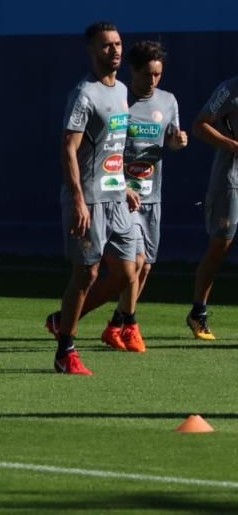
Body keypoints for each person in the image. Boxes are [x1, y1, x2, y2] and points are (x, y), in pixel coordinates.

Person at [45, 41, 186, 347]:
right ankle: (114, 327)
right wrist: (118, 186)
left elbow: (169, 141)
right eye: (148, 74)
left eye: (158, 75)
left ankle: (107, 322)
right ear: (133, 71)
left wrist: (177, 141)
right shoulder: (113, 97)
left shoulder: (167, 101)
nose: (153, 81)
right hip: (114, 195)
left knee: (141, 266)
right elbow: (101, 147)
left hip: (151, 194)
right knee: (97, 270)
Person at [53, 22, 139, 375]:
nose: (115, 51)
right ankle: (65, 351)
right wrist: (77, 200)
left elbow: (112, 147)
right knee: (86, 273)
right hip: (89, 201)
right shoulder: (83, 94)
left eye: (118, 44)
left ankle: (61, 319)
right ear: (92, 51)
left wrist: (125, 185)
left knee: (126, 273)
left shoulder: (121, 90)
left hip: (117, 197)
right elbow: (68, 148)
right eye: (107, 46)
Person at [187, 61, 238, 340]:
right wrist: (233, 145)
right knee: (221, 244)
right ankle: (198, 312)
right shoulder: (229, 89)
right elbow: (199, 125)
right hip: (230, 178)